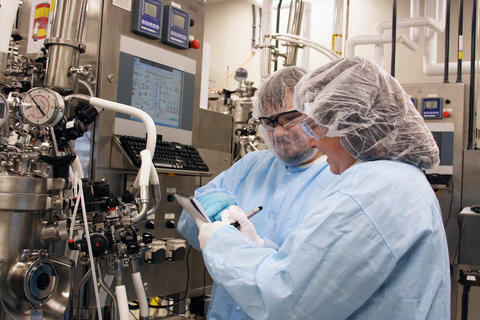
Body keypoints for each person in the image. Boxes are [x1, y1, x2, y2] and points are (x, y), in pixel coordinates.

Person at [195, 57, 450, 319]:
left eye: (314, 126)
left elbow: (285, 299)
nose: (313, 142)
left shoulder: (369, 192)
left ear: (351, 124)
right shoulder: (397, 179)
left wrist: (221, 242)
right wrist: (256, 244)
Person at [177, 66, 337, 319]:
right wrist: (208, 214)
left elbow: (316, 278)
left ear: (314, 113)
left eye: (289, 118)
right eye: (268, 122)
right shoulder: (251, 165)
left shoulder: (338, 176)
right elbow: (188, 222)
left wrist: (256, 247)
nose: (279, 132)